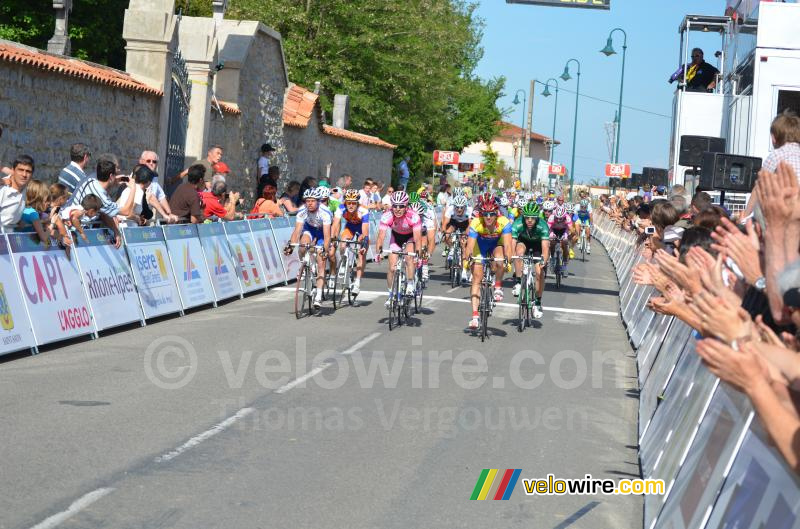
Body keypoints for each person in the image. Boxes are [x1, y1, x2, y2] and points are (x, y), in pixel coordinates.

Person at [464, 193, 513, 329]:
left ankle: (497, 286)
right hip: (480, 245)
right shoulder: (476, 222)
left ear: (496, 213)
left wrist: (507, 260)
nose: (488, 217)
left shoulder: (504, 222)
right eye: (485, 214)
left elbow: (508, 245)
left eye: (491, 214)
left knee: (499, 259)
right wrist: (467, 259)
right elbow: (469, 246)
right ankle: (475, 317)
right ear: (481, 214)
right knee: (477, 278)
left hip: (496, 244)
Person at [284, 188, 333, 308]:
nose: (309, 203)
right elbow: (296, 231)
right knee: (302, 245)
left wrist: (325, 250)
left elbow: (327, 237)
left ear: (318, 201)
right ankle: (305, 265)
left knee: (321, 262)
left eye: (312, 201)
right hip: (309, 229)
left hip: (322, 232)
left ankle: (319, 295)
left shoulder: (325, 212)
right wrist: (291, 245)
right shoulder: (302, 210)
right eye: (307, 201)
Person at [375, 190, 422, 307]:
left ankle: (410, 284)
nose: (398, 209)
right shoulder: (387, 215)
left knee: (408, 257)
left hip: (410, 238)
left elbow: (418, 239)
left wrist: (418, 255)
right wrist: (378, 252)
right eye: (395, 206)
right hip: (395, 239)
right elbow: (381, 236)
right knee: (391, 268)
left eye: (401, 206)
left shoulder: (413, 216)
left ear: (406, 206)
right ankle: (391, 295)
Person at [511, 202, 550, 318]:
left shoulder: (543, 226)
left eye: (532, 218)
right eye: (526, 217)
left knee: (539, 273)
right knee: (518, 253)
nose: (529, 220)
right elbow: (512, 243)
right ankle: (518, 282)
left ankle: (537, 302)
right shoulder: (518, 223)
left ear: (537, 217)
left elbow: (545, 248)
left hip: (538, 245)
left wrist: (544, 260)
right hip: (523, 243)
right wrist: (511, 257)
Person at [330, 189, 370, 296]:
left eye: (353, 203)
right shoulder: (341, 207)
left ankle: (357, 283)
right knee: (342, 244)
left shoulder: (364, 210)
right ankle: (344, 262)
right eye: (349, 202)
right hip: (350, 228)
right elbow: (335, 224)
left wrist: (364, 241)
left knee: (361, 255)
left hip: (361, 229)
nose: (351, 205)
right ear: (345, 202)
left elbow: (365, 230)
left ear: (357, 203)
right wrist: (332, 237)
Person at [68, 158, 135, 221]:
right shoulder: (102, 199)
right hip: (78, 228)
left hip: (67, 216)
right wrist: (133, 188)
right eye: (115, 174)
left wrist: (113, 181)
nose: (118, 172)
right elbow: (126, 211)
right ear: (111, 176)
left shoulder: (91, 178)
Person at [138, 150, 178, 223]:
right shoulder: (139, 175)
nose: (151, 163)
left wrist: (169, 213)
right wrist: (164, 215)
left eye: (154, 161)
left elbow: (161, 197)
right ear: (141, 161)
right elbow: (150, 197)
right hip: (134, 218)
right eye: (148, 161)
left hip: (144, 217)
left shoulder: (154, 177)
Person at [440, 194, 472, 275]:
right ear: (454, 206)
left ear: (465, 206)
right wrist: (443, 231)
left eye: (461, 207)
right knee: (447, 235)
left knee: (463, 244)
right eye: (457, 207)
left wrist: (466, 235)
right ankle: (451, 249)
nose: (459, 209)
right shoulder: (450, 209)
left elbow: (470, 225)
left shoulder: (469, 209)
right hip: (454, 223)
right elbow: (445, 223)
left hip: (465, 225)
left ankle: (464, 271)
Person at [0, 155, 33, 229]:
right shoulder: (2, 190)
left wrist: (18, 219)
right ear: (13, 171)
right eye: (20, 170)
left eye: (28, 171)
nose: (24, 175)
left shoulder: (25, 188)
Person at [547, 202, 572, 276]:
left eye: (560, 218)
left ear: (564, 216)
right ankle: (552, 258)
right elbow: (547, 228)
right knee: (552, 242)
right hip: (554, 230)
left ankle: (564, 263)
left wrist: (570, 237)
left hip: (564, 230)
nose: (558, 220)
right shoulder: (551, 217)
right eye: (557, 218)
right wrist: (549, 236)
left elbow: (571, 229)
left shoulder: (567, 217)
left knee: (564, 242)